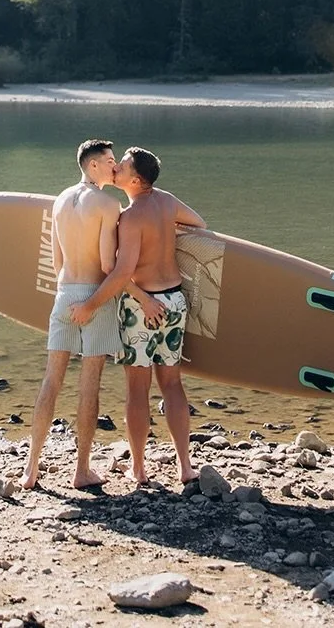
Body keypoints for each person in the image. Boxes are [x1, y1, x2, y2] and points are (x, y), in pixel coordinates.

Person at [70, 145, 205, 487]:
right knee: (172, 384)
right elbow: (199, 224)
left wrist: (89, 306)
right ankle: (185, 467)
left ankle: (140, 469)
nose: (116, 170)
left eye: (123, 166)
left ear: (137, 179)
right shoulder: (167, 201)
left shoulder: (130, 218)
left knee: (137, 389)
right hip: (175, 302)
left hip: (143, 309)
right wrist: (165, 233)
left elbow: (120, 274)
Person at [20, 138, 124, 490]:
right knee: (88, 385)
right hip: (94, 297)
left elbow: (56, 262)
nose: (115, 166)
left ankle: (31, 468)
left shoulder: (60, 200)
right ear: (93, 165)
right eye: (110, 160)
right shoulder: (109, 205)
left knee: (51, 380)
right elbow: (109, 264)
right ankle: (81, 470)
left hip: (63, 296)